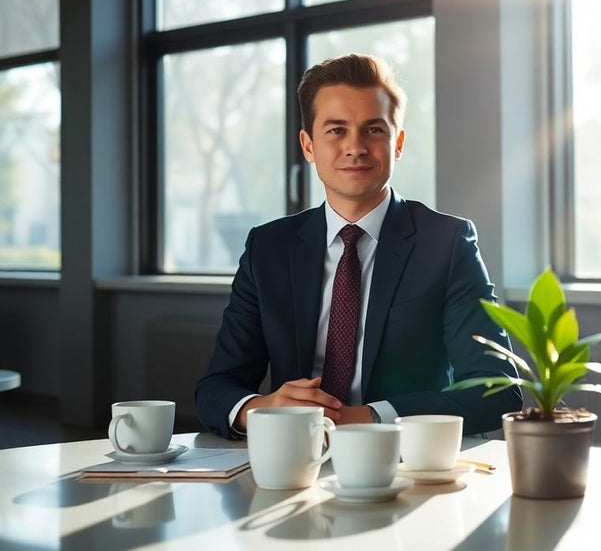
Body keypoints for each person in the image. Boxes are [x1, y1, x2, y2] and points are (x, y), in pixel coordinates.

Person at [196, 53, 521, 439]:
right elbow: (216, 388)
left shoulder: (446, 244)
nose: (355, 147)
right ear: (308, 145)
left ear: (397, 143)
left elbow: (496, 389)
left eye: (374, 130)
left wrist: (364, 417)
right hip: (294, 460)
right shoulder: (268, 248)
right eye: (336, 130)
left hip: (405, 465)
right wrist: (259, 409)